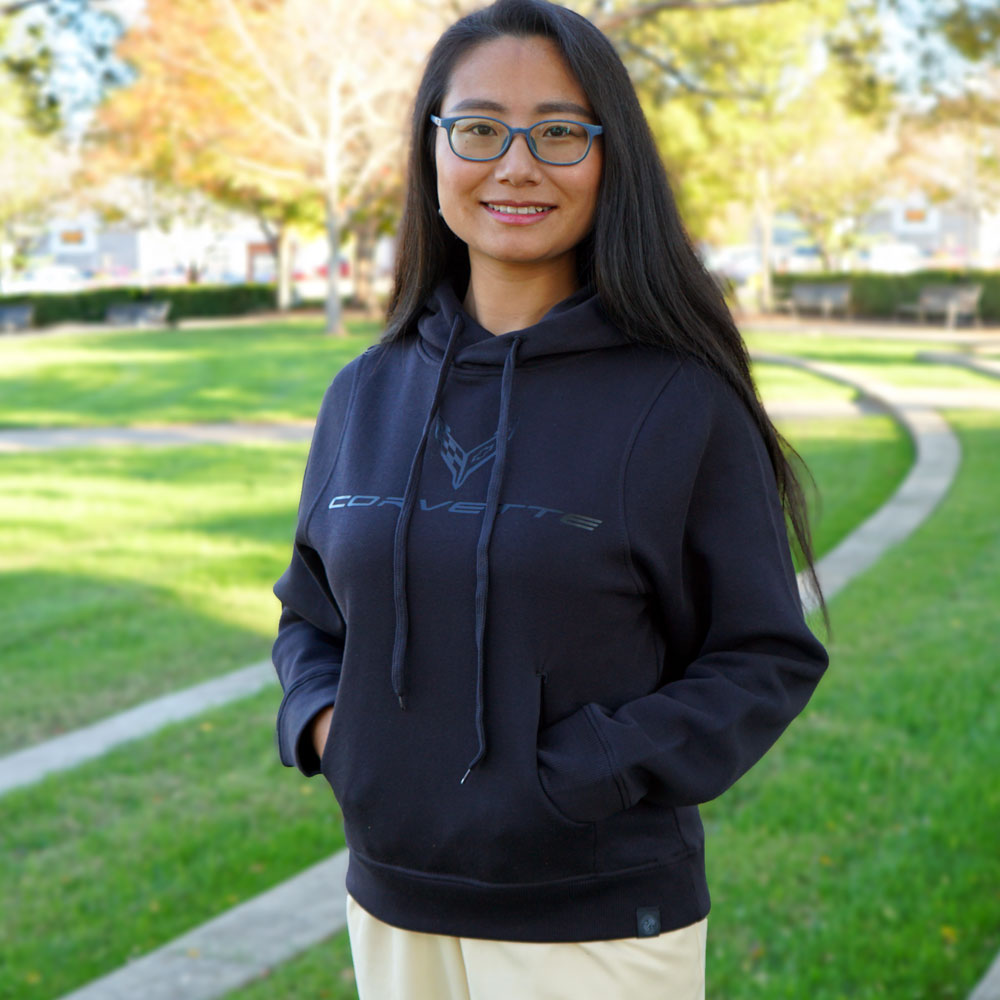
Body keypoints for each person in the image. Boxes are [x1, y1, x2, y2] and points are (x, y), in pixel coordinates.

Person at [271, 1, 829, 996]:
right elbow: (309, 616)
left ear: (609, 157)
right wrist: (330, 730)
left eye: (559, 132)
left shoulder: (678, 398)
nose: (516, 164)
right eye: (479, 128)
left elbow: (761, 656)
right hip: (390, 905)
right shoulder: (364, 391)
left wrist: (578, 774)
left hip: (595, 922)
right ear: (431, 149)